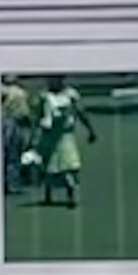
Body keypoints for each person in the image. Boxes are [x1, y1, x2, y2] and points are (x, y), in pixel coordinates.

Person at [35, 78, 96, 208]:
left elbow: (80, 112)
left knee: (69, 166)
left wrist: (90, 130)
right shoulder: (44, 96)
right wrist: (34, 135)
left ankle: (71, 196)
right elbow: (39, 116)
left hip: (65, 135)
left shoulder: (70, 95)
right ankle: (48, 195)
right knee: (48, 166)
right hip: (49, 134)